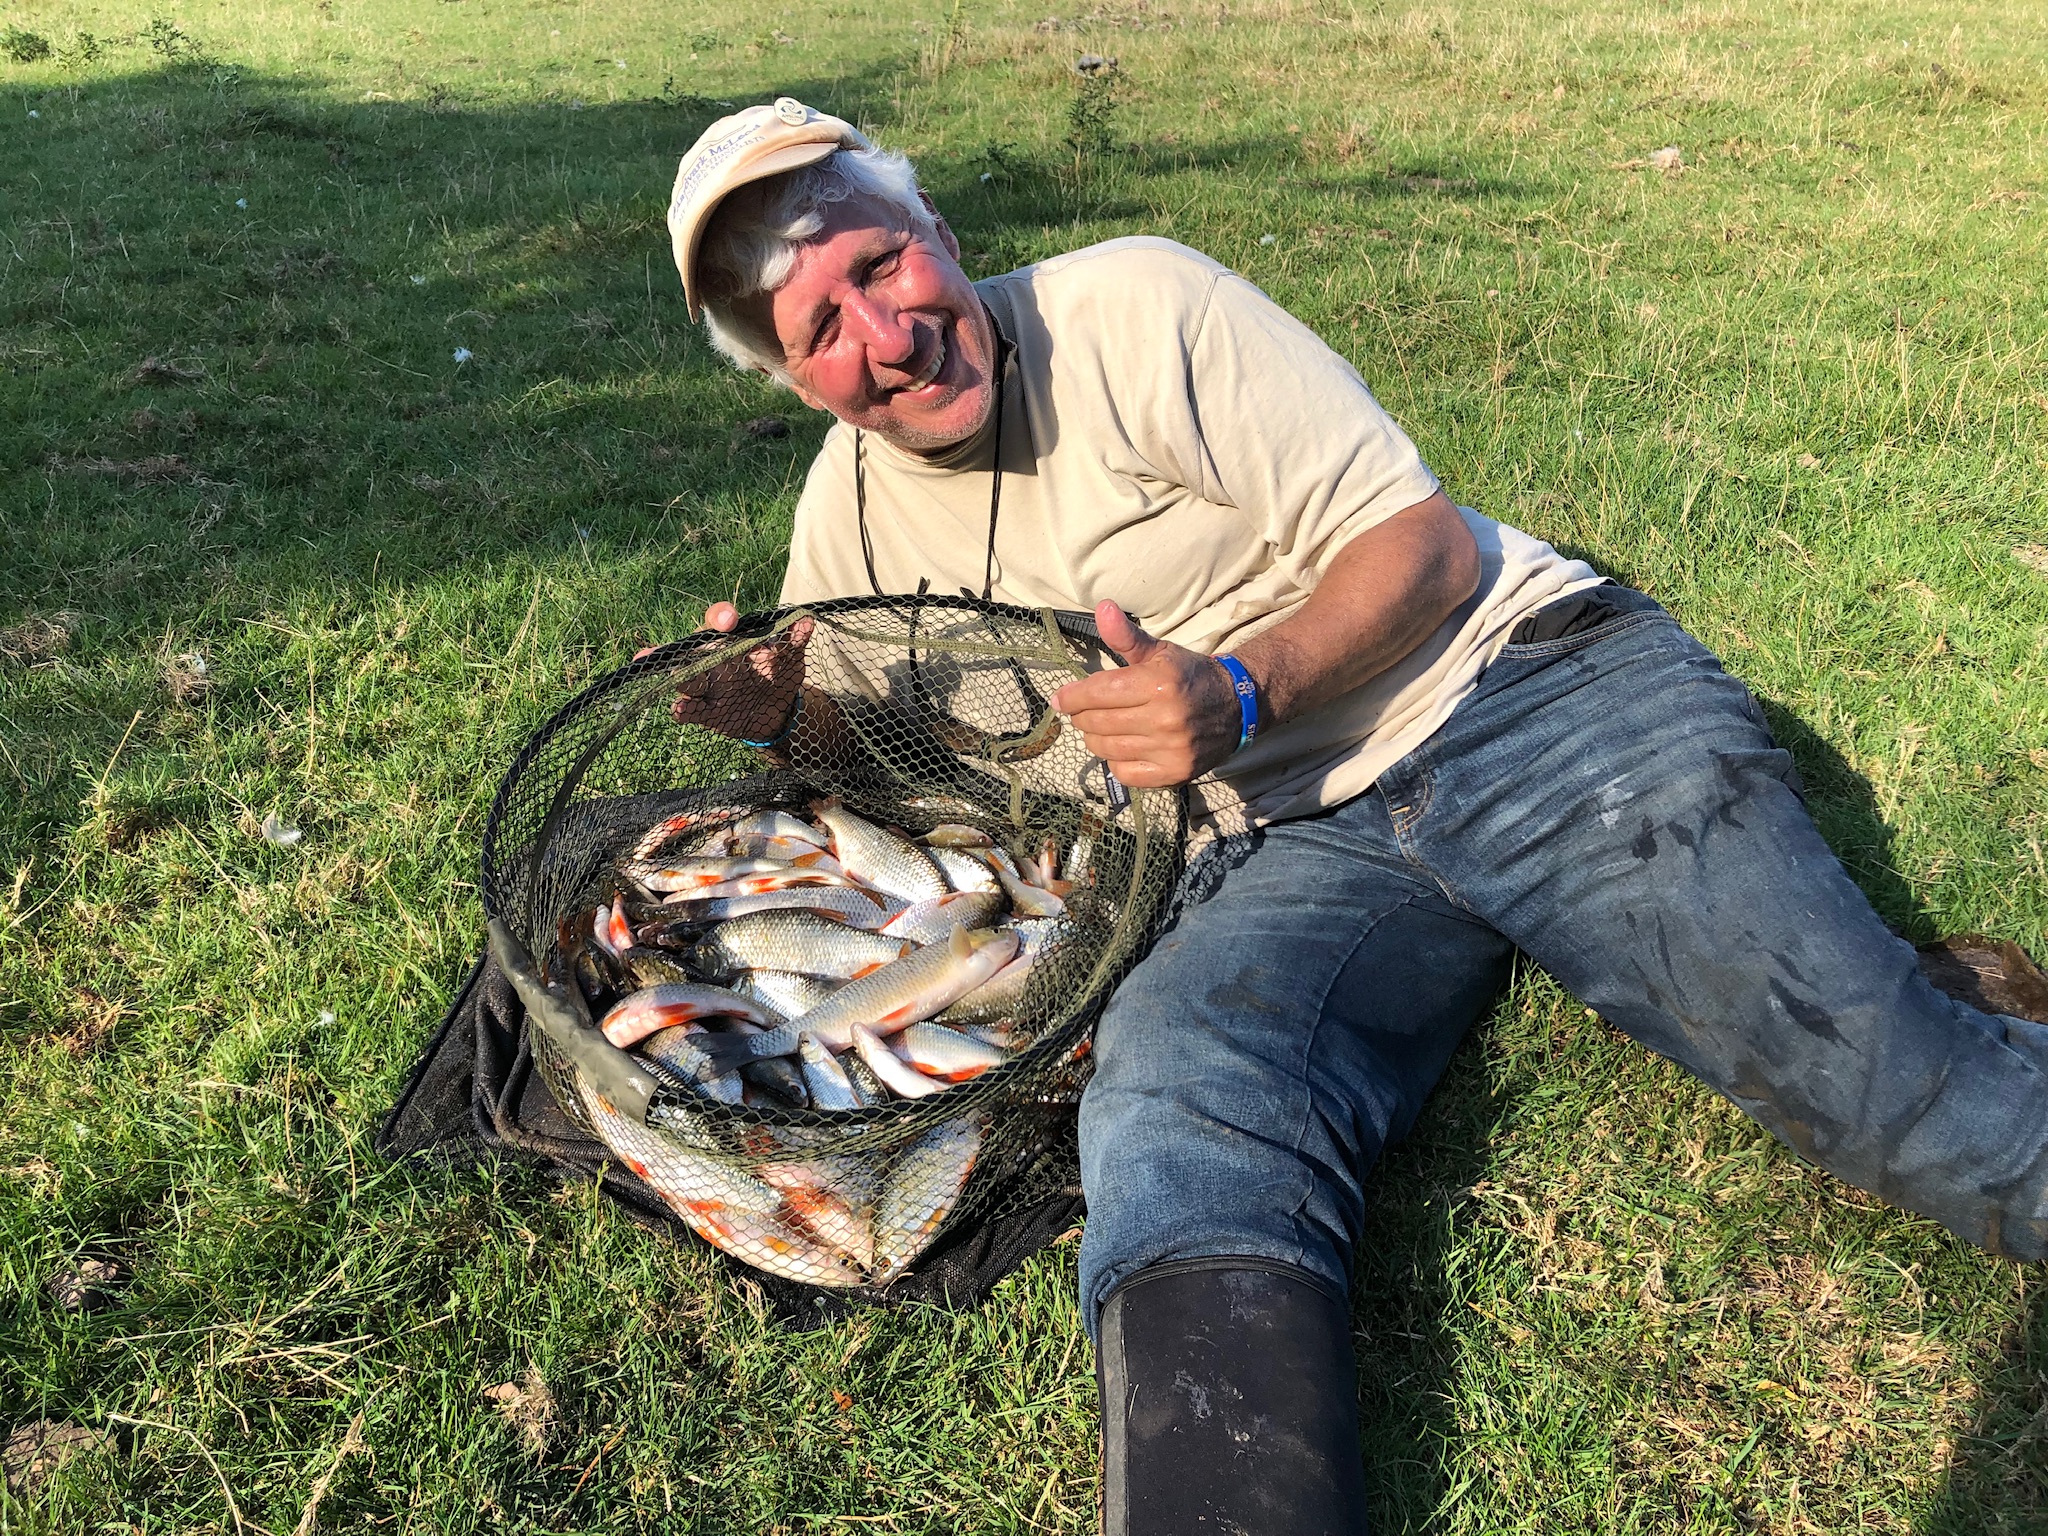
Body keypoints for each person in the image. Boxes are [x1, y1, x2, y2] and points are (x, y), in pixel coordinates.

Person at [659, 98, 2048, 1534]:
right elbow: (904, 760)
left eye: (882, 267)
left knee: (1884, 1093)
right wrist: (781, 719)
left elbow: (1423, 545)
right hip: (1275, 853)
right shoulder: (848, 524)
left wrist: (1242, 695)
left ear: (939, 233)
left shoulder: (1136, 306)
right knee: (1181, 1112)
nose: (884, 338)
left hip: (1519, 696)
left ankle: (1927, 1028)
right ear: (791, 379)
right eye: (818, 328)